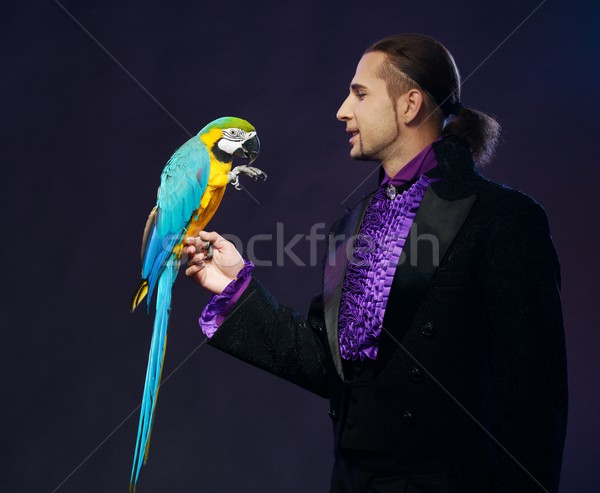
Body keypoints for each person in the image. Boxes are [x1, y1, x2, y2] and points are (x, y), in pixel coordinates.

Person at [184, 34, 568, 493]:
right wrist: (235, 286)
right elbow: (333, 368)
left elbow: (532, 402)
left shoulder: (503, 218)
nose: (343, 111)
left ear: (409, 105)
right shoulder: (352, 225)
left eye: (360, 93)